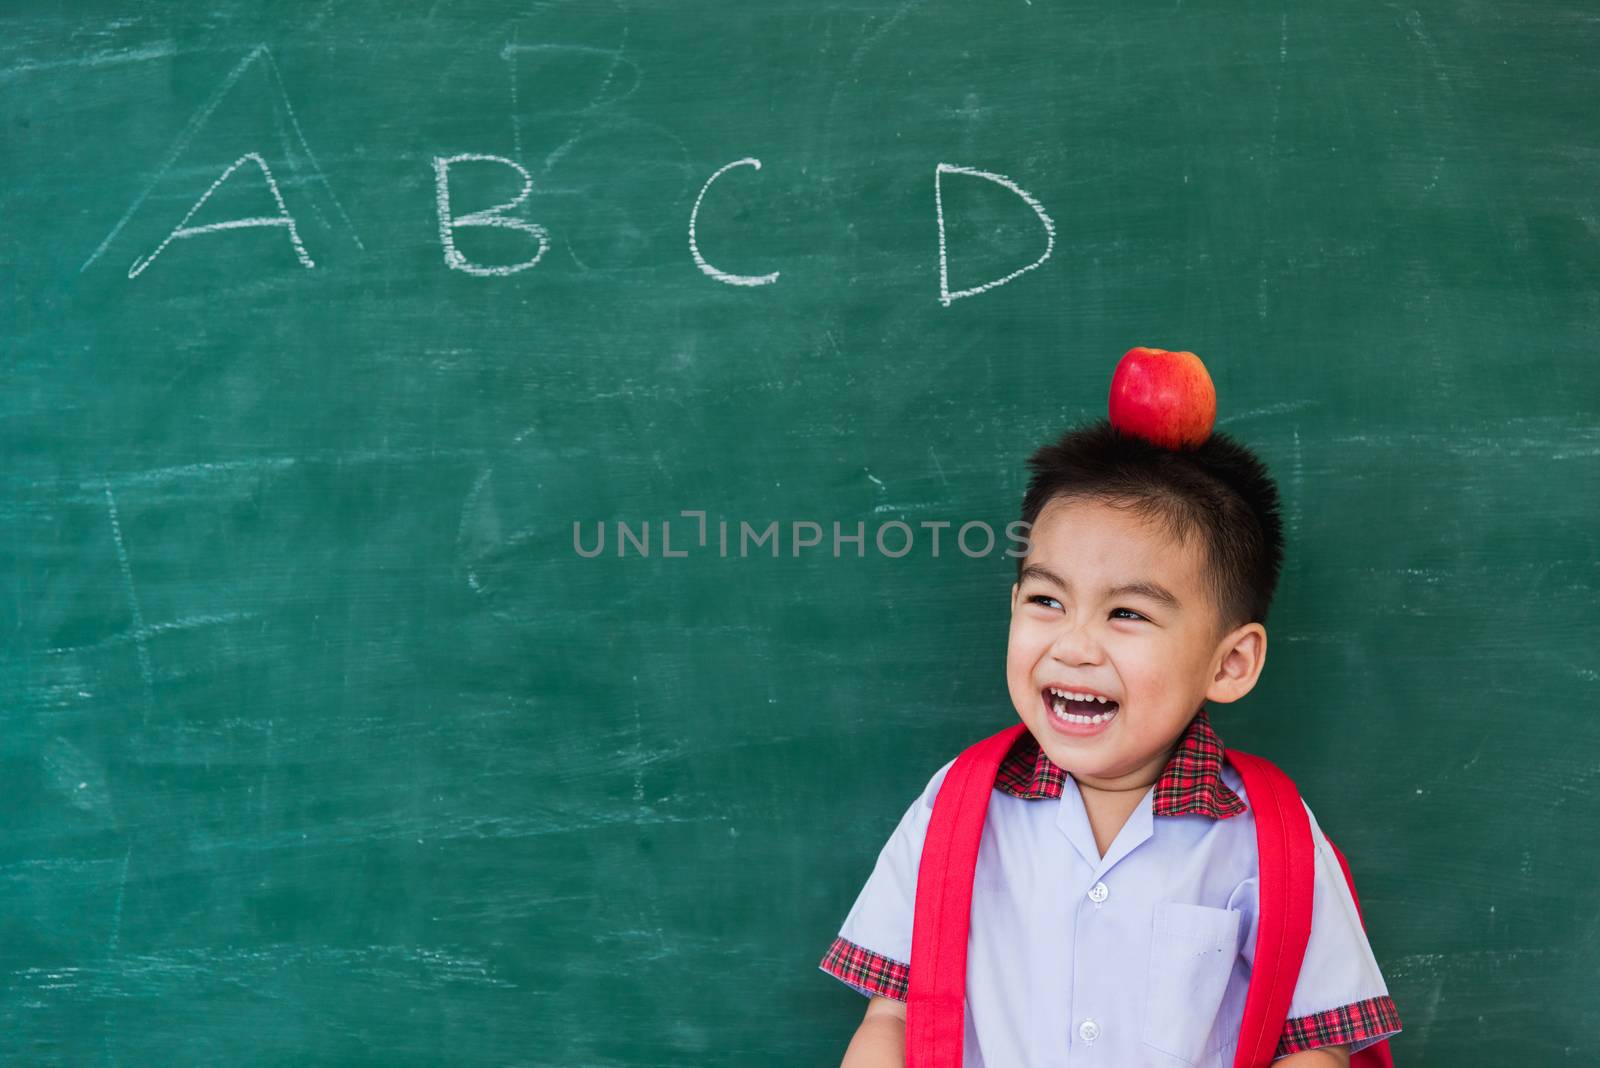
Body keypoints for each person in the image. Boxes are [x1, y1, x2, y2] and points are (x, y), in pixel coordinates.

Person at [819, 418, 1402, 1067]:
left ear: (1229, 663)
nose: (1072, 645)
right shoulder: (955, 810)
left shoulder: (1273, 841)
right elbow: (894, 1014)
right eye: (1046, 600)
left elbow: (1316, 1047)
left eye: (1127, 613)